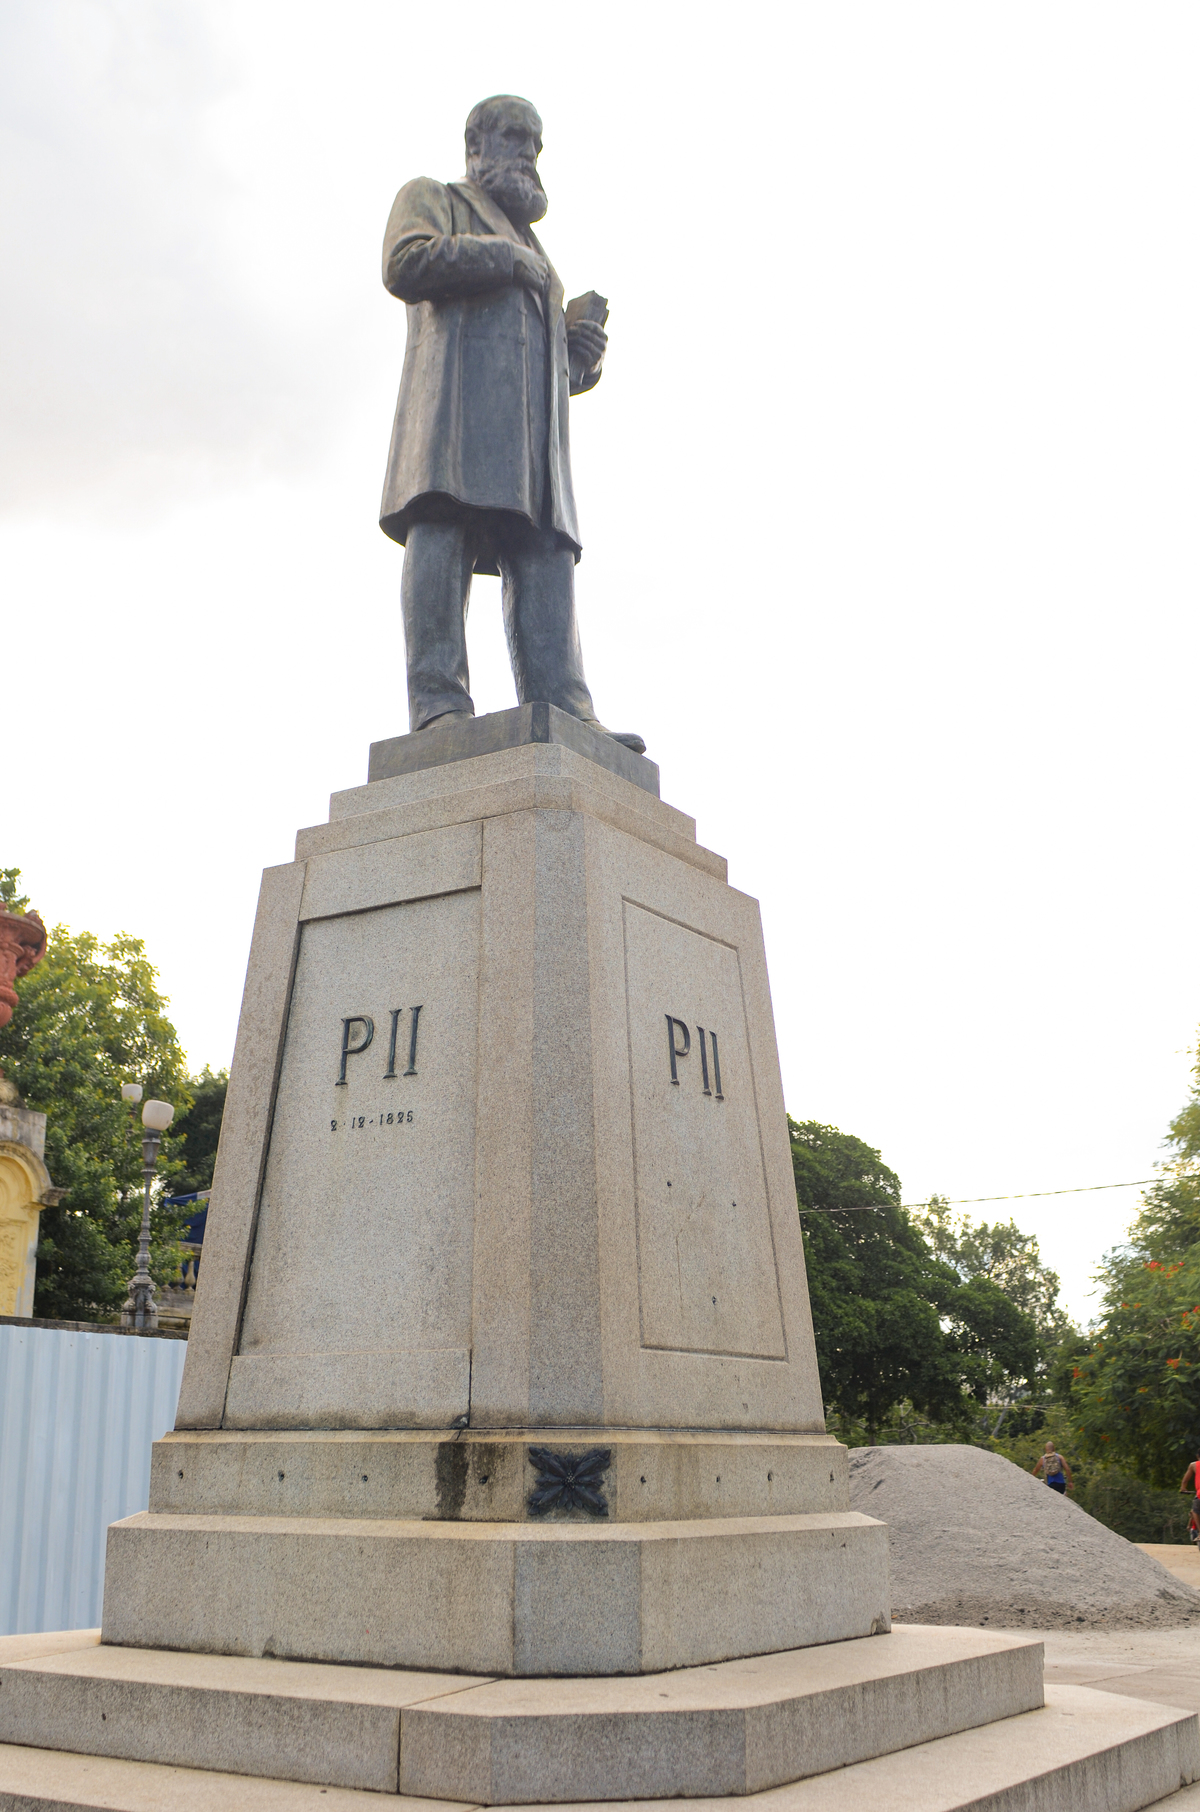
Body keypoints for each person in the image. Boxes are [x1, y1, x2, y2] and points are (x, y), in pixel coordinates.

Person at [379, 94, 644, 753]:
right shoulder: (435, 196)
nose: (529, 152)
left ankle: (566, 706)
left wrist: (576, 360)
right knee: (442, 533)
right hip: (453, 421)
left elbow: (540, 365)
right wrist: (503, 259)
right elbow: (406, 262)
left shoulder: (540, 255)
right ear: (476, 144)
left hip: (535, 446)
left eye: (536, 142)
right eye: (515, 136)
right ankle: (439, 704)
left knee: (546, 555)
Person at [1179, 1449, 1200, 1542]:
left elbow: (1185, 1480)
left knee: (1195, 1511)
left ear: (1197, 1456)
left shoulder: (1194, 1465)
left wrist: (1183, 1488)